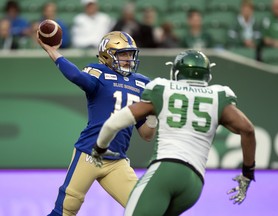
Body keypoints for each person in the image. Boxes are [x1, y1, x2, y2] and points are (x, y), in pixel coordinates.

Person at [92, 50, 256, 215]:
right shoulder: (218, 95)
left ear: (176, 72)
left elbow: (113, 123)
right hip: (194, 183)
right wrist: (247, 174)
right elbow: (247, 129)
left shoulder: (164, 89)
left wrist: (99, 148)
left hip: (167, 169)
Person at [37, 31, 157, 215]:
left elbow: (146, 134)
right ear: (107, 55)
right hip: (90, 153)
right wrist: (53, 52)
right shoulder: (99, 72)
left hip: (117, 160)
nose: (128, 59)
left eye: (130, 54)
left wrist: (154, 113)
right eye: (122, 53)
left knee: (144, 209)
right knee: (66, 209)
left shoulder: (142, 83)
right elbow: (77, 77)